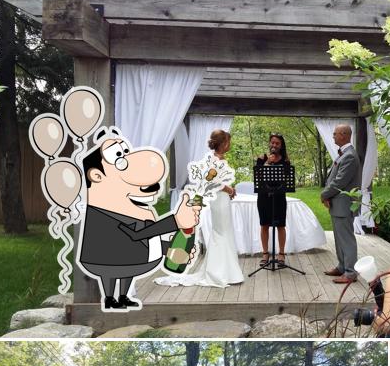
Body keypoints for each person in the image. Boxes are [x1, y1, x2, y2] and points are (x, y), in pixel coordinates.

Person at [79, 130, 200, 310]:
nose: (128, 158)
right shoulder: (104, 213)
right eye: (118, 158)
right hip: (106, 259)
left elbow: (142, 239)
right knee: (114, 270)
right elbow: (136, 236)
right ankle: (110, 298)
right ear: (97, 176)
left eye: (126, 152)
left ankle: (123, 296)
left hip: (126, 258)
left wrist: (171, 250)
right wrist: (175, 222)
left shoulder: (133, 211)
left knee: (126, 269)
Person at [160, 130, 243, 288]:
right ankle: (218, 272)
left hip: (222, 199)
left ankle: (227, 270)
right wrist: (230, 190)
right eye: (228, 142)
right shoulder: (214, 160)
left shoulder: (218, 159)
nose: (229, 145)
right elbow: (214, 183)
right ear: (223, 144)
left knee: (224, 232)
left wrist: (230, 190)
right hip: (219, 200)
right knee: (221, 233)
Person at [321, 124, 362, 284]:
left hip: (344, 205)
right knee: (339, 238)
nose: (333, 136)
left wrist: (324, 194)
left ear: (344, 135)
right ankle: (342, 266)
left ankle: (351, 272)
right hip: (338, 204)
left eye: (335, 134)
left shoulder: (349, 156)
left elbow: (339, 182)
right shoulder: (344, 154)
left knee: (346, 239)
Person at [256, 133, 290, 267]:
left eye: (277, 143)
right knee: (264, 224)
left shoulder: (285, 160)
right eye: (272, 143)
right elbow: (258, 176)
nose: (274, 145)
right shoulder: (262, 158)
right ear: (269, 143)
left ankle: (281, 254)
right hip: (264, 197)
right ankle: (265, 253)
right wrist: (267, 163)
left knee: (280, 225)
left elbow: (287, 178)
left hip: (279, 196)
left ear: (281, 146)